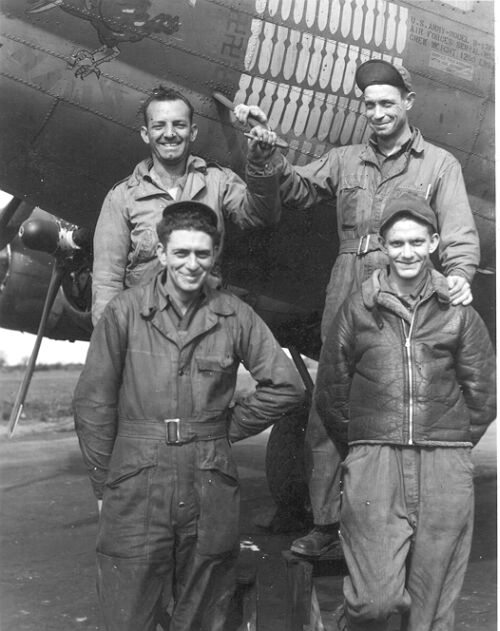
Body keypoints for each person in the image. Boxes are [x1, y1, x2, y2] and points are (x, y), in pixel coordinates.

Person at [234, 59, 480, 555]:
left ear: (408, 103)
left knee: (405, 395)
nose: (378, 113)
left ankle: (406, 521)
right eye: (369, 105)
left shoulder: (439, 164)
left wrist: (457, 276)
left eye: (387, 103)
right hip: (347, 284)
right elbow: (295, 191)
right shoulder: (345, 159)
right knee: (331, 400)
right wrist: (265, 154)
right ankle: (326, 526)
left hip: (410, 284)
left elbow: (457, 231)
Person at [74, 201, 304, 631]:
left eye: (202, 254)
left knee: (205, 613)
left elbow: (286, 386)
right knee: (126, 613)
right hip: (135, 481)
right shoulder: (125, 312)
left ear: (215, 255)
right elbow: (93, 403)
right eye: (181, 253)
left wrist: (220, 429)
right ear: (161, 253)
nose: (191, 264)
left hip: (208, 480)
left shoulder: (235, 315)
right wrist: (103, 483)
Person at [314, 190, 496, 631]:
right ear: (383, 247)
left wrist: (447, 440)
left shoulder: (459, 311)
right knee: (372, 602)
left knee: (431, 612)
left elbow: (483, 394)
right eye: (397, 243)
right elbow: (332, 390)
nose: (407, 252)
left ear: (434, 243)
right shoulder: (359, 306)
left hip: (444, 461)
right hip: (375, 458)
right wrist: (364, 446)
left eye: (418, 242)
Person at [92, 86, 282, 325]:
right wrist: (112, 344)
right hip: (147, 334)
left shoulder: (217, 181)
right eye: (159, 126)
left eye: (179, 125)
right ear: (145, 133)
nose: (169, 134)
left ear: (192, 132)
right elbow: (106, 282)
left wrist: (260, 160)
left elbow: (261, 217)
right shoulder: (122, 197)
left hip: (205, 329)